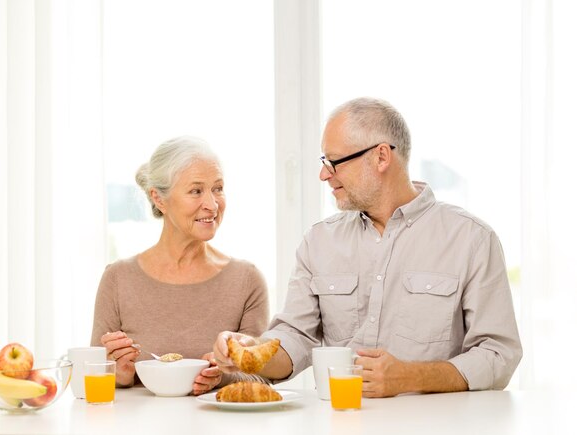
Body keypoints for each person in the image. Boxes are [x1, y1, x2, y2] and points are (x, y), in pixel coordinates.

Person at [213, 97, 522, 397]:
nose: (324, 174)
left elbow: (499, 354)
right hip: (340, 423)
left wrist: (412, 376)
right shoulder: (318, 242)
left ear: (381, 157)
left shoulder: (471, 239)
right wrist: (252, 353)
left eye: (333, 161)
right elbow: (295, 336)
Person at [91, 135, 270, 395]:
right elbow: (94, 375)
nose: (212, 204)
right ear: (159, 199)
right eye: (196, 191)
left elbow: (263, 380)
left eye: (218, 188)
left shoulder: (247, 280)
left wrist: (221, 376)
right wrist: (119, 374)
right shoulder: (118, 278)